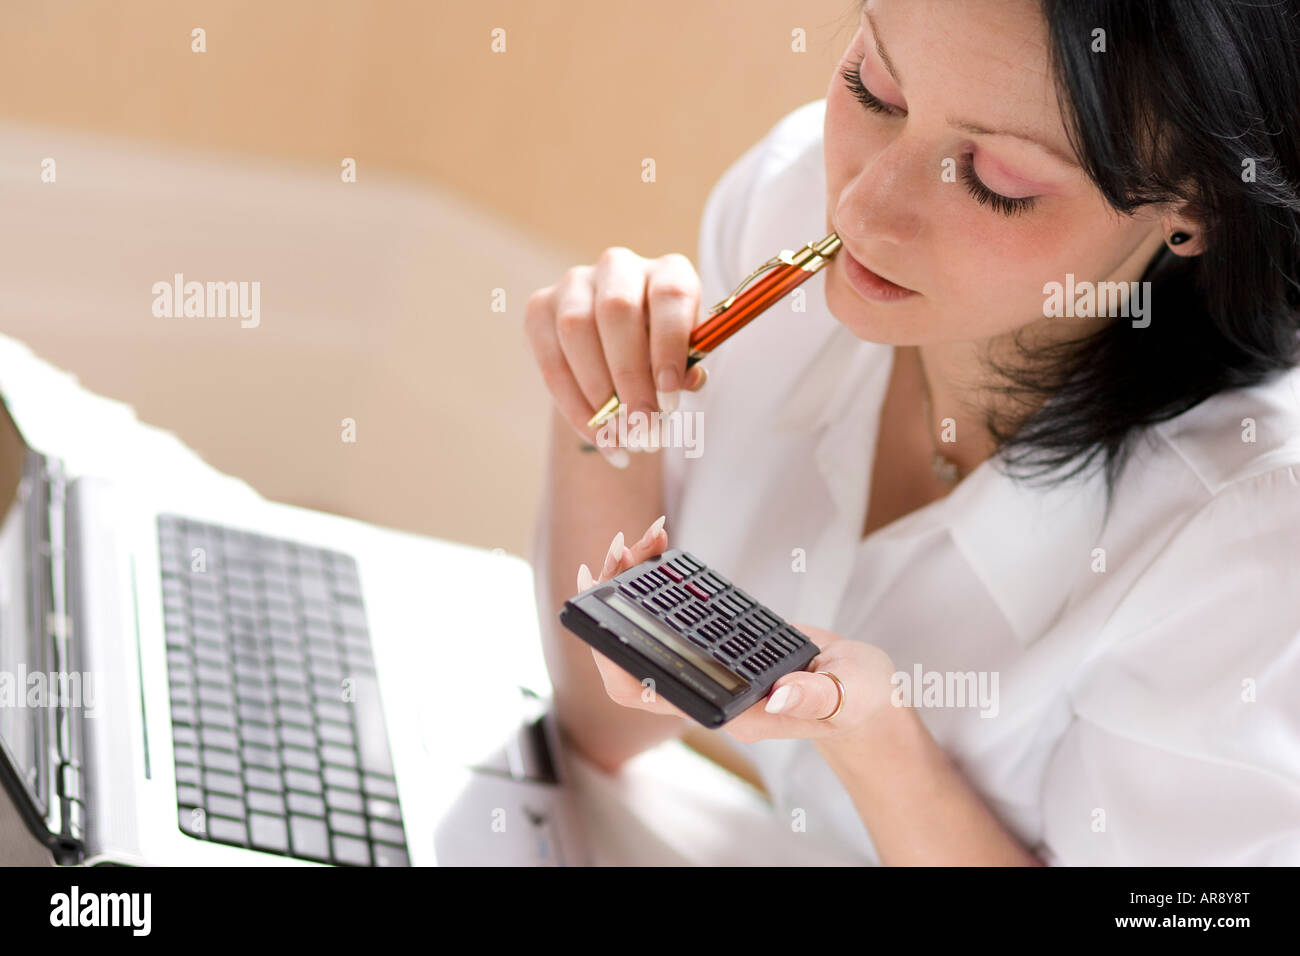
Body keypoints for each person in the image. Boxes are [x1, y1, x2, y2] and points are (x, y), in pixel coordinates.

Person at [524, 0, 1300, 865]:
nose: (863, 210)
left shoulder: (1251, 535)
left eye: (996, 179)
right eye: (875, 87)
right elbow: (600, 731)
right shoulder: (786, 200)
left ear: (1195, 206)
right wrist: (605, 403)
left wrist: (876, 742)